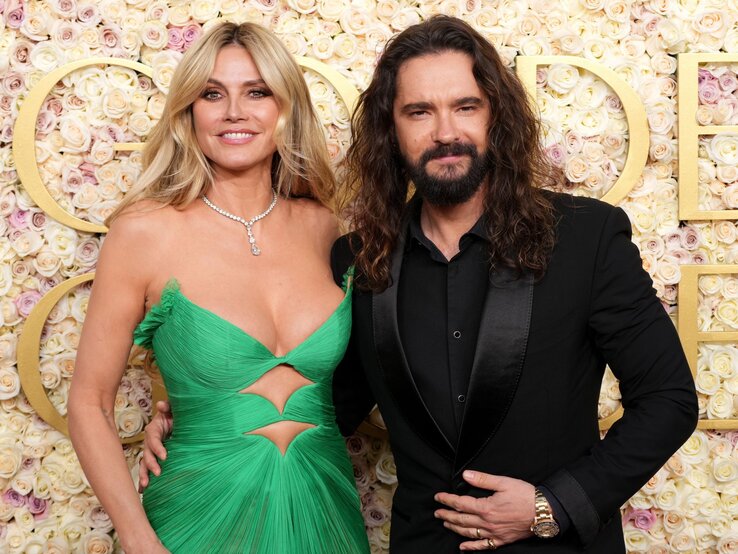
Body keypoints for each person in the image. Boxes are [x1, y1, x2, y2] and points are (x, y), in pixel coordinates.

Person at [140, 15, 698, 553]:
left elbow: (668, 400)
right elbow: (325, 404)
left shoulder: (586, 237)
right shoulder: (357, 259)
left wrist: (550, 505)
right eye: (419, 112)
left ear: (496, 118)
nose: (446, 132)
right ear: (391, 129)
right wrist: (199, 427)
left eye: (465, 107)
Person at [68, 21, 369, 554]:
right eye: (212, 93)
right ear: (190, 112)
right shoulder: (143, 232)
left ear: (285, 109)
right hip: (191, 519)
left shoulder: (325, 227)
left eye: (257, 92)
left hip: (325, 517)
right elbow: (89, 401)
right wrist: (139, 540)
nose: (235, 111)